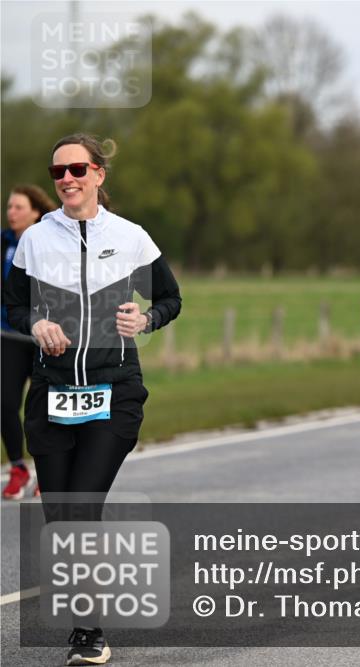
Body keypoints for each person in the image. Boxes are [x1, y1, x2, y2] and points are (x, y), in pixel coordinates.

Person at [2, 133, 182, 665]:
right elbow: (13, 306)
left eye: (77, 169)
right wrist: (36, 324)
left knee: (81, 506)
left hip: (114, 390)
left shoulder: (130, 237)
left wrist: (145, 319)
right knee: (61, 517)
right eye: (57, 172)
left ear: (99, 175)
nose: (67, 179)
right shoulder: (36, 239)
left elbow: (170, 297)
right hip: (52, 394)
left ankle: (89, 633)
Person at [2, 185, 56, 499]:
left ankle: (48, 472)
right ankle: (18, 469)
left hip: (43, 338)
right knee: (5, 403)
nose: (11, 212)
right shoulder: (4, 243)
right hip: (9, 335)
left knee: (44, 408)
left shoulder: (50, 242)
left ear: (36, 212)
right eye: (9, 206)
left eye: (18, 207)